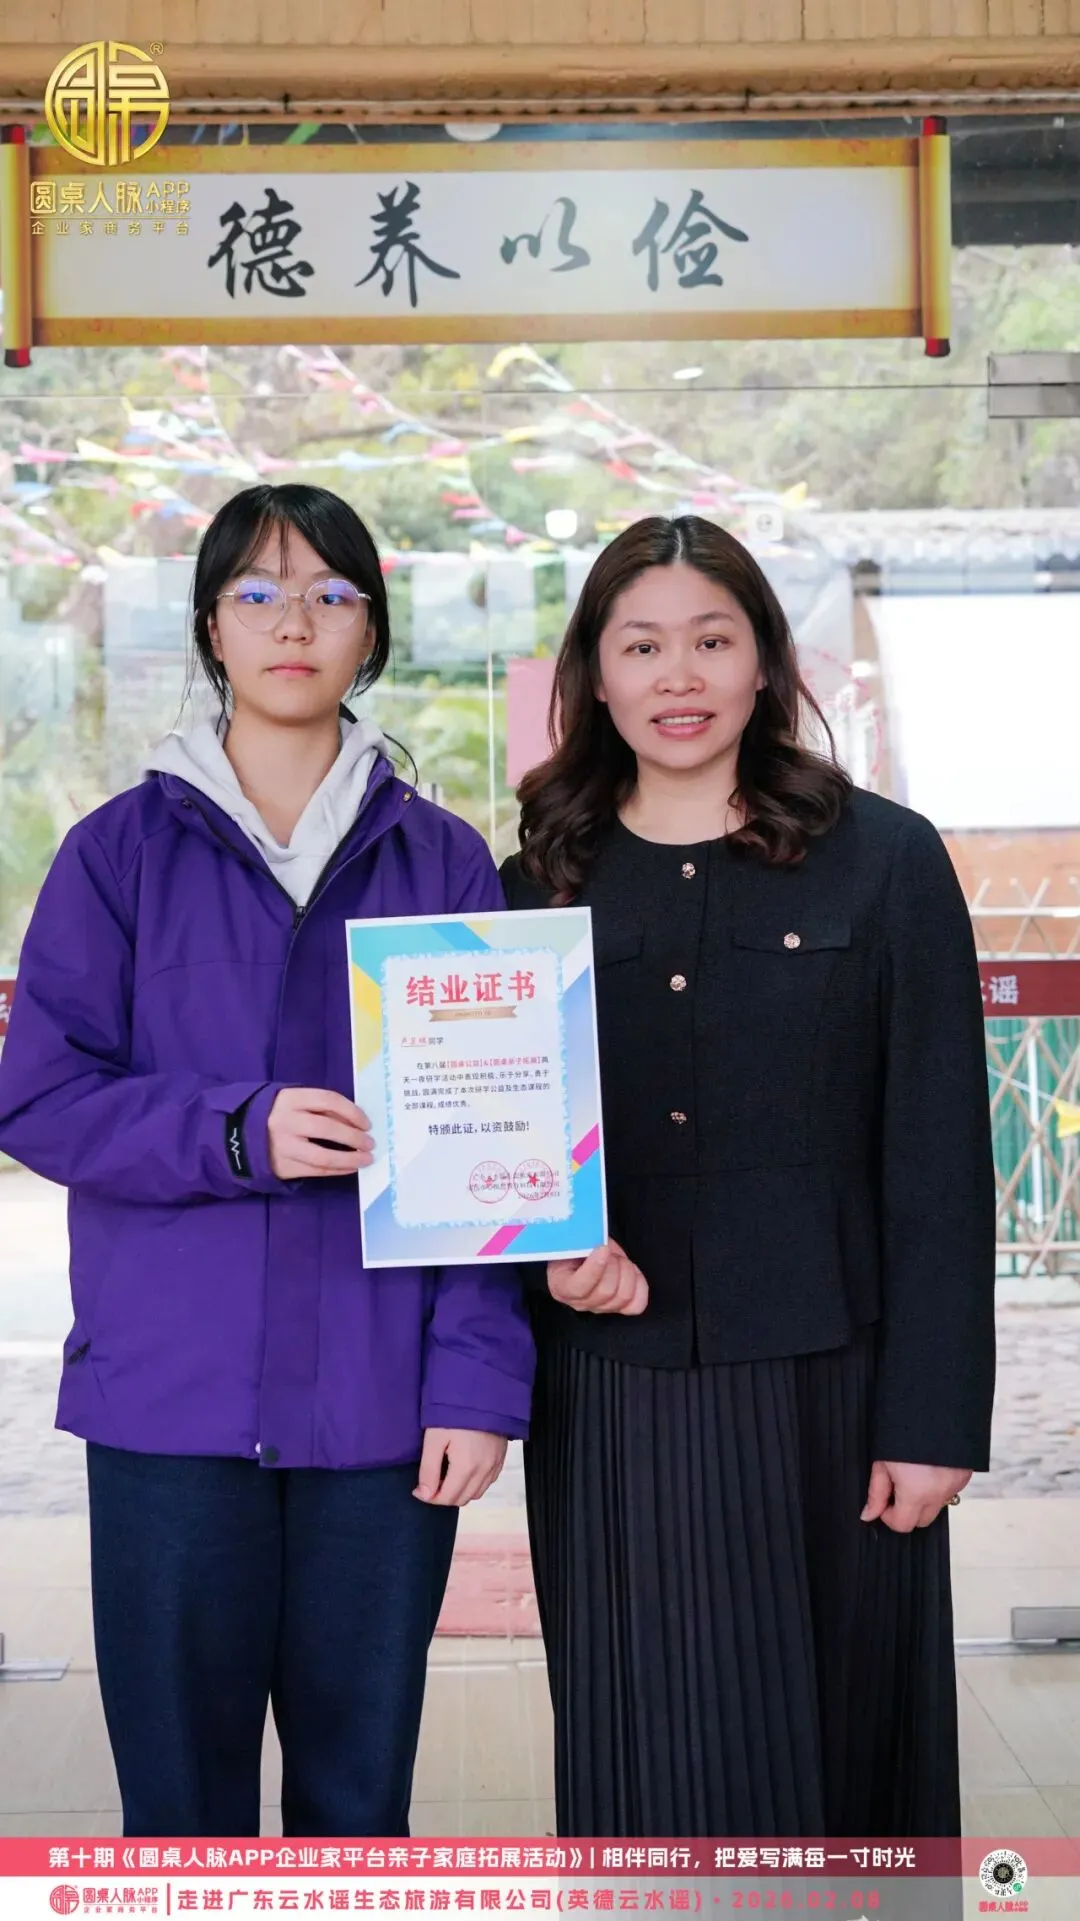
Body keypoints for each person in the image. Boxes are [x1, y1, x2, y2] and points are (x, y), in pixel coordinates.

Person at [0, 482, 534, 1839]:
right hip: (167, 1411)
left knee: (359, 1805)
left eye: (329, 596)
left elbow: (498, 1156)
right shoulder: (117, 857)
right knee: (181, 1810)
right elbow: (42, 1099)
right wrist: (235, 1130)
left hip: (382, 1416)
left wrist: (476, 1387)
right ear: (211, 629)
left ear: (372, 632)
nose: (294, 623)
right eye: (257, 593)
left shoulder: (444, 863)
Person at [500, 514, 995, 1842]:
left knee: (847, 1753)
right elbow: (491, 1153)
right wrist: (544, 1255)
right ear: (594, 674)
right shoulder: (533, 884)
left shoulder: (886, 859)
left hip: (835, 1387)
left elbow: (942, 1162)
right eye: (642, 645)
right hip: (613, 1394)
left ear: (764, 662)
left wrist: (935, 1420)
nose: (679, 676)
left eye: (712, 642)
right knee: (642, 1750)